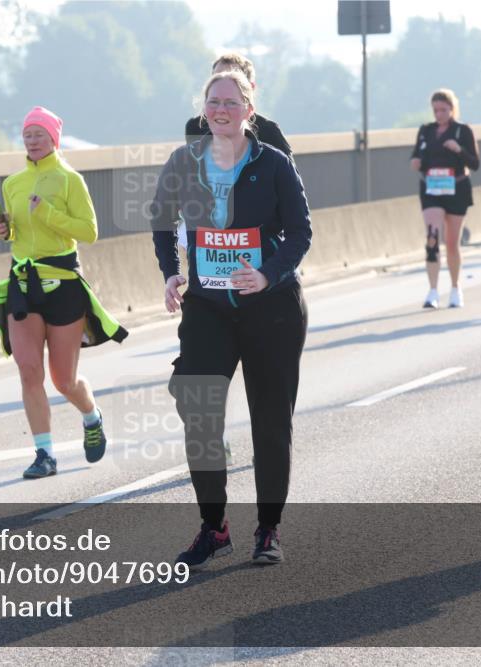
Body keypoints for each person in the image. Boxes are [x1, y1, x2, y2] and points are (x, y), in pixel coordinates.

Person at [149, 70, 311, 569]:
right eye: (213, 102)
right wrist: (171, 273)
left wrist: (266, 274)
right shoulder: (184, 162)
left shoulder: (273, 163)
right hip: (208, 308)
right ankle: (214, 527)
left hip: (271, 308)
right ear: (204, 108)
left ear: (248, 109)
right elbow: (161, 218)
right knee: (198, 410)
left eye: (230, 102)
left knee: (270, 421)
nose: (220, 110)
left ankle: (268, 528)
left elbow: (301, 232)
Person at [0, 106, 128, 479]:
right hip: (23, 284)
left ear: (53, 139)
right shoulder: (12, 183)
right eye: (27, 134)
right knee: (29, 370)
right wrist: (5, 231)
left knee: (64, 380)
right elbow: (18, 233)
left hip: (63, 284)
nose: (32, 140)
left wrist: (48, 213)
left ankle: (91, 416)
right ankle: (44, 454)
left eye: (39, 134)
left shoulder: (69, 180)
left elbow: (89, 232)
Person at [410, 89, 480, 309]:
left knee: (451, 242)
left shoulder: (463, 131)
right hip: (431, 188)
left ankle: (456, 287)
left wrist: (459, 150)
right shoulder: (426, 131)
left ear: (452, 109)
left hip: (456, 187)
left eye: (443, 110)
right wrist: (416, 162)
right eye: (436, 110)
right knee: (432, 238)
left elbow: (475, 163)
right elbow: (416, 155)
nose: (439, 114)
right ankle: (432, 291)